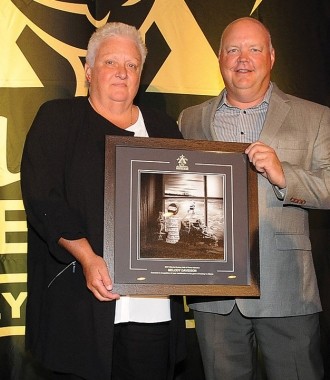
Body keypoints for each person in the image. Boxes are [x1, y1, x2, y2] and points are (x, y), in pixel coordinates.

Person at [21, 22, 186, 380]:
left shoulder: (165, 128)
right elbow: (42, 197)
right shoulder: (58, 119)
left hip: (151, 310)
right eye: (111, 62)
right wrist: (87, 256)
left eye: (131, 65)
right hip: (79, 310)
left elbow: (185, 201)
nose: (122, 73)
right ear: (88, 70)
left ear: (140, 75)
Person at [178, 17, 330, 380]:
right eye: (233, 49)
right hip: (213, 293)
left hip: (287, 288)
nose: (242, 58)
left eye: (254, 49)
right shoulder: (189, 119)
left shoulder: (316, 117)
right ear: (219, 58)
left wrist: (285, 176)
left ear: (272, 56)